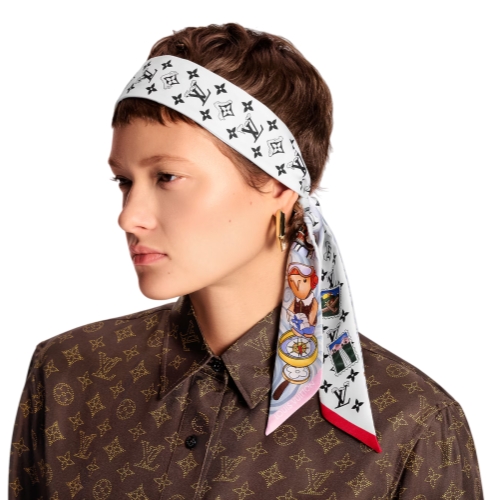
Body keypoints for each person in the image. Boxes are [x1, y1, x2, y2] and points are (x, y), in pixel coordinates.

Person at [8, 23, 483, 499]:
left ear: (277, 184)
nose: (129, 217)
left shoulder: (408, 424)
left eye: (167, 177)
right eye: (124, 182)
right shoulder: (71, 372)